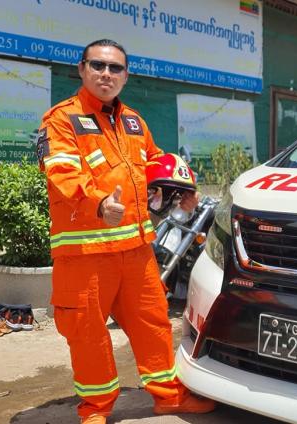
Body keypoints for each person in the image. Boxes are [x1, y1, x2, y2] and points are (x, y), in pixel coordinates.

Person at [36, 39, 215, 424]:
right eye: (98, 65)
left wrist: (182, 190)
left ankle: (169, 396)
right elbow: (61, 173)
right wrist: (99, 203)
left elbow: (156, 164)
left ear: (126, 75)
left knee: (154, 323)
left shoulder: (134, 121)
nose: (107, 74)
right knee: (87, 333)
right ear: (82, 69)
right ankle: (96, 408)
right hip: (85, 254)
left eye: (115, 68)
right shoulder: (61, 119)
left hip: (136, 249)